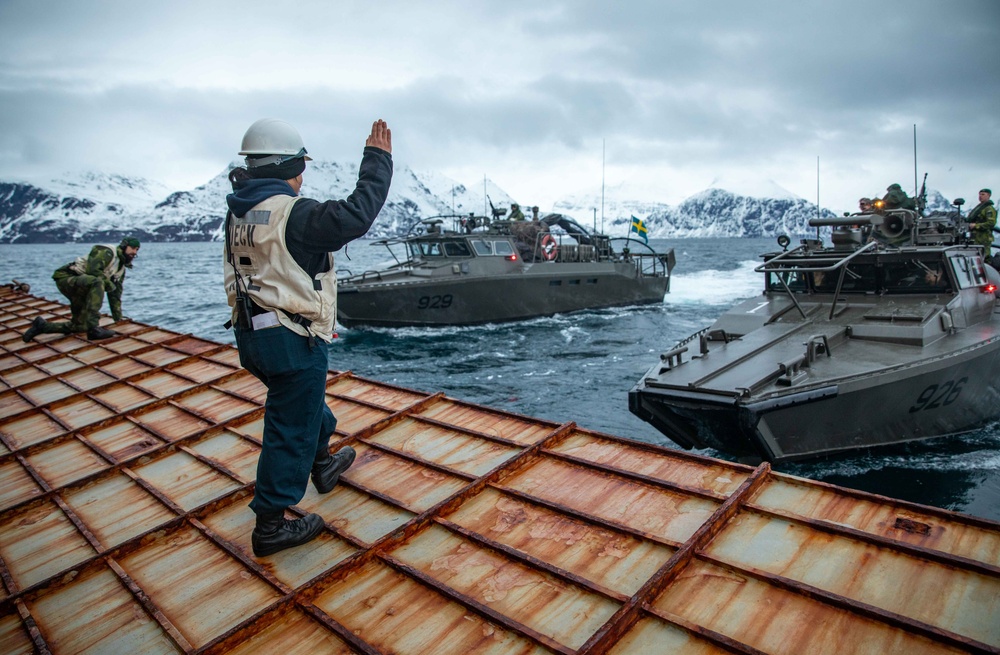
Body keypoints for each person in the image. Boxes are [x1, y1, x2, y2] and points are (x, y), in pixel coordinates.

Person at [225, 117, 392, 557]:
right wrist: (378, 160)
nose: (303, 176)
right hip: (291, 338)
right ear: (288, 167)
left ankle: (323, 464)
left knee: (299, 403)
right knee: (288, 426)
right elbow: (356, 214)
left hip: (251, 334)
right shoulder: (293, 213)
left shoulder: (240, 210)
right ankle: (271, 525)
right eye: (301, 166)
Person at [22, 238, 140, 342]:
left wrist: (118, 319)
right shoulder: (107, 252)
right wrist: (108, 284)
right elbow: (93, 272)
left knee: (80, 326)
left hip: (82, 287)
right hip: (67, 278)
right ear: (124, 246)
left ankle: (42, 327)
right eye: (133, 248)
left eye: (137, 250)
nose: (134, 253)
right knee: (97, 281)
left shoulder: (120, 269)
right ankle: (94, 329)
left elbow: (115, 293)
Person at [967, 188, 997, 253]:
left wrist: (976, 225)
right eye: (980, 194)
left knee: (984, 257)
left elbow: (991, 223)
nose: (980, 196)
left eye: (983, 194)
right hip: (975, 238)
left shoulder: (989, 209)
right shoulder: (978, 208)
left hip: (984, 238)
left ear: (988, 195)